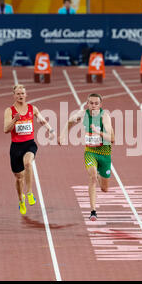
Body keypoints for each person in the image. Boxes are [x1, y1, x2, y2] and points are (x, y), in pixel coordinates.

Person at [58, 93, 114, 221]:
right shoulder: (83, 114)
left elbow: (110, 138)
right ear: (87, 104)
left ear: (100, 105)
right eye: (91, 103)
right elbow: (70, 121)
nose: (93, 106)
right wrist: (63, 135)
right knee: (92, 176)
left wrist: (97, 132)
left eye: (96, 103)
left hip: (105, 154)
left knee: (105, 189)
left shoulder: (105, 116)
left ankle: (100, 174)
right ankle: (93, 211)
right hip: (90, 152)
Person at [4, 84, 55, 215]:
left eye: (22, 93)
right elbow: (6, 130)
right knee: (18, 177)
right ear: (14, 95)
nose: (20, 96)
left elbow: (42, 120)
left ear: (26, 95)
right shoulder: (9, 111)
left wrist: (50, 129)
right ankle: (21, 200)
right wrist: (14, 120)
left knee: (28, 163)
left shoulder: (33, 108)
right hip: (16, 147)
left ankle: (30, 193)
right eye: (18, 94)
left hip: (29, 144)